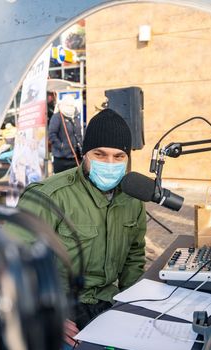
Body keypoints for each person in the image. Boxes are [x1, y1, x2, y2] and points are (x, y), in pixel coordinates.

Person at [17, 109, 146, 329]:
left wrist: (132, 306)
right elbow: (12, 259)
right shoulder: (48, 196)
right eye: (100, 154)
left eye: (118, 156)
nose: (110, 163)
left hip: (107, 300)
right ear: (85, 154)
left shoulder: (132, 198)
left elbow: (134, 256)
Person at [48, 96, 83, 173]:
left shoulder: (75, 117)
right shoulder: (57, 117)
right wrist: (61, 146)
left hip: (76, 157)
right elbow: (52, 134)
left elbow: (78, 135)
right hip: (62, 158)